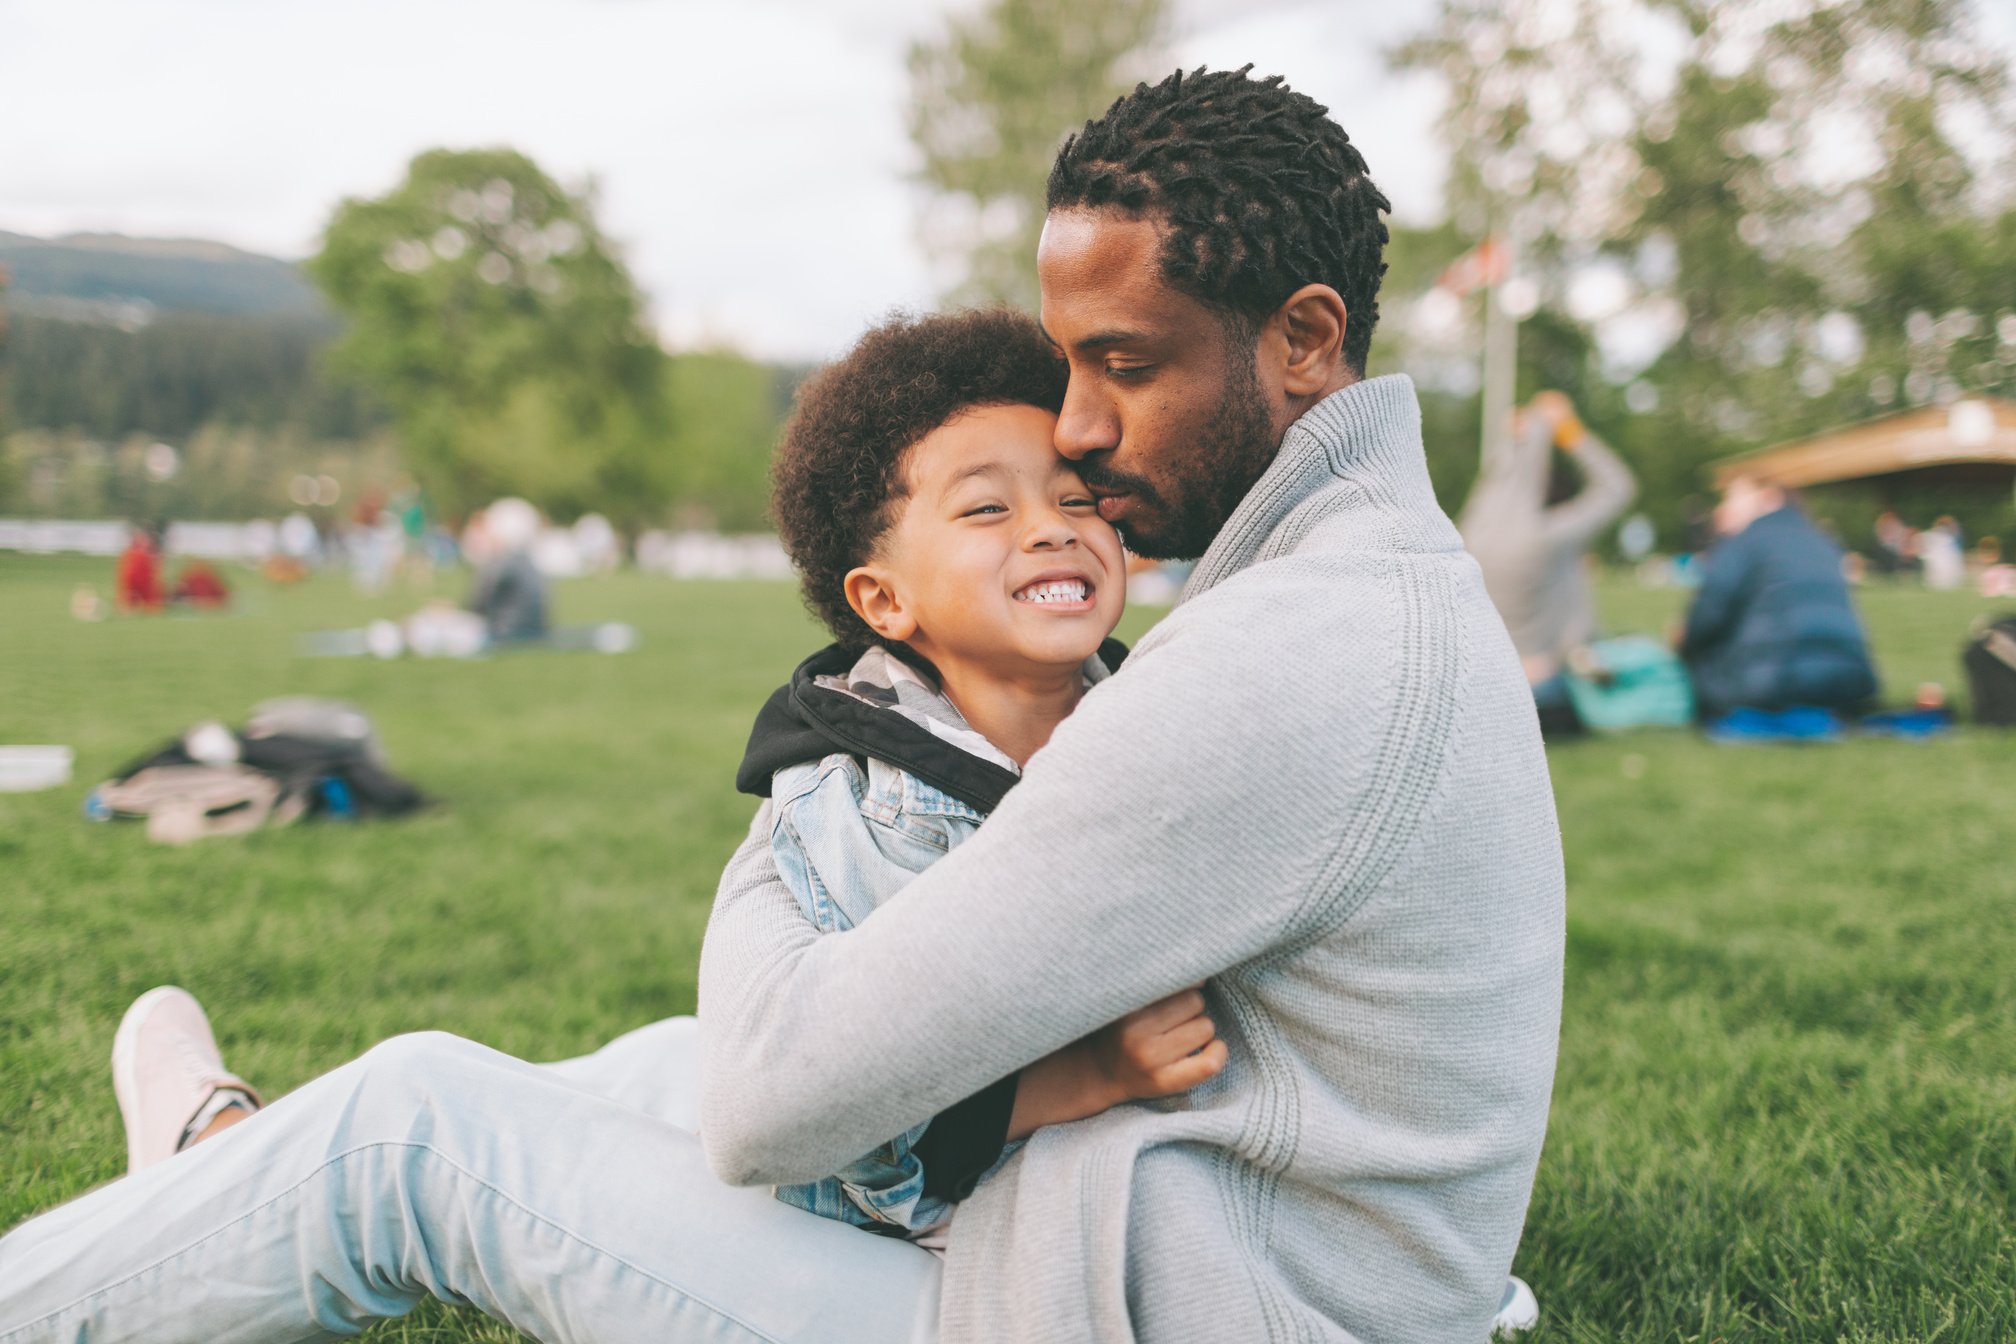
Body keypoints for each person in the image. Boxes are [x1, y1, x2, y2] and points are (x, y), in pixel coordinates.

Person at [0, 67, 1562, 1343]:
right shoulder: (1376, 584)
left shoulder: (1290, 655)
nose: (1079, 430)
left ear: (1303, 339)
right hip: (1244, 1258)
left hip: (1142, 1301)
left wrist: (811, 778)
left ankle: (201, 1193)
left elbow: (770, 1105)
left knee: (423, 1125)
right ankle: (216, 1169)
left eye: (1120, 365)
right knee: (647, 1068)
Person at [749, 308, 1227, 1238]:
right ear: (884, 599)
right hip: (943, 1236)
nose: (1052, 528)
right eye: (986, 507)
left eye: (1077, 499)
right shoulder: (860, 807)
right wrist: (1089, 1076)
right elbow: (855, 1130)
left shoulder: (1166, 711)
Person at [1460, 390, 1637, 735]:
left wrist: (1517, 442)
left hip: (1484, 687)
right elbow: (1617, 487)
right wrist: (1568, 431)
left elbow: (1498, 484)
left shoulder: (1469, 531)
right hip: (1544, 691)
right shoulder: (1547, 537)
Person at [1678, 474, 1879, 719]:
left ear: (1769, 497)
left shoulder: (1744, 541)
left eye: (1731, 498)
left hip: (1771, 685)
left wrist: (1682, 642)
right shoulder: (1823, 540)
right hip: (1851, 685)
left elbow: (1706, 618)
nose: (1722, 508)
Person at [465, 497, 550, 644]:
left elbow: (477, 607)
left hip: (505, 634)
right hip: (534, 631)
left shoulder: (501, 564)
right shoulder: (528, 562)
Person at [112, 523, 164, 613]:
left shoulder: (133, 551)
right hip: (137, 578)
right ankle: (131, 607)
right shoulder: (137, 551)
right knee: (138, 597)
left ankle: (131, 607)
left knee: (134, 597)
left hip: (137, 577)